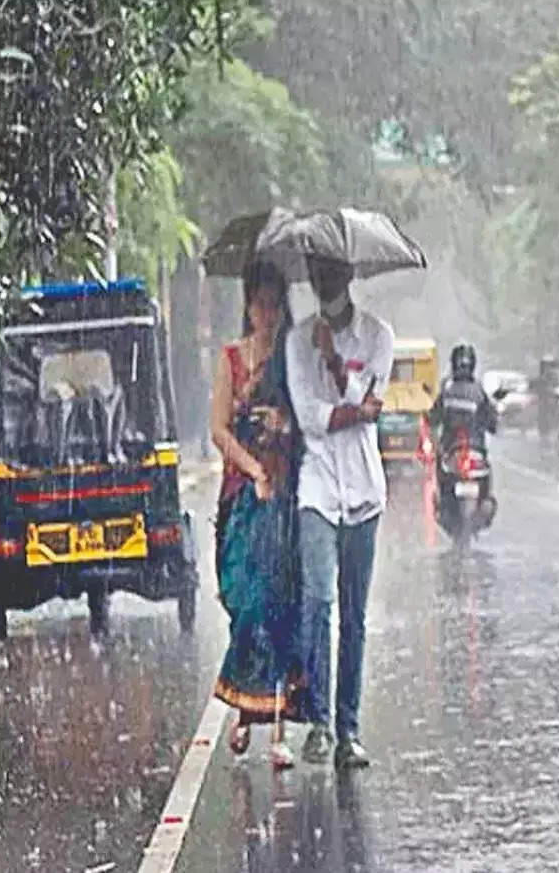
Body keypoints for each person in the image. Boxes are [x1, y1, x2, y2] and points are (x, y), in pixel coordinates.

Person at [286, 258, 393, 769]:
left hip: (365, 492)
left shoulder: (378, 336)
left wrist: (334, 364)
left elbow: (371, 403)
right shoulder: (295, 340)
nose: (325, 287)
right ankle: (320, 723)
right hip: (318, 487)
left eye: (333, 277)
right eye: (317, 279)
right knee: (318, 601)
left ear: (348, 277)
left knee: (354, 616)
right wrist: (355, 412)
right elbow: (312, 419)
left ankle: (348, 729)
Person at [210, 261, 301, 770]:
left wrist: (281, 424)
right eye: (259, 304)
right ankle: (246, 711)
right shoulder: (231, 359)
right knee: (245, 605)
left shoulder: (291, 361)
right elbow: (217, 429)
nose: (267, 313)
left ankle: (278, 729)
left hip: (283, 497)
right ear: (248, 307)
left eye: (275, 304)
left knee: (278, 607)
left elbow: (303, 420)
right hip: (241, 499)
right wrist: (252, 471)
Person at [428, 342, 498, 530]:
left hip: (451, 452)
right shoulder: (480, 392)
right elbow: (492, 422)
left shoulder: (447, 391)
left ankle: (447, 509)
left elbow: (433, 418)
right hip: (475, 452)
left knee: (442, 479)